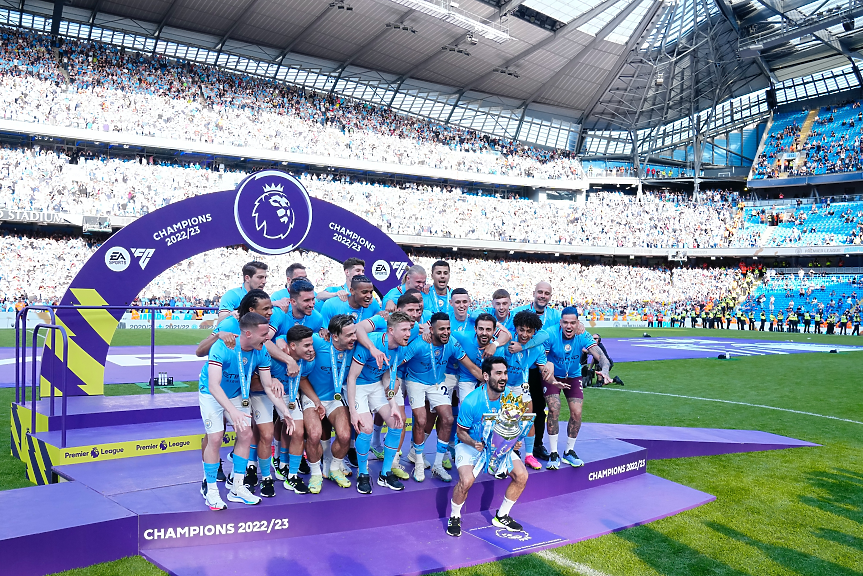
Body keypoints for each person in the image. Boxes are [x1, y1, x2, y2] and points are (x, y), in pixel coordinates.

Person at [198, 312, 293, 510]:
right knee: (215, 438)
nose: (267, 338)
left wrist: (284, 411)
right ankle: (211, 490)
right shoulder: (222, 346)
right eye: (264, 334)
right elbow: (214, 385)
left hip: (236, 393)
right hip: (211, 393)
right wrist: (232, 412)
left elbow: (268, 386)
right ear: (248, 334)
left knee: (246, 434)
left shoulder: (261, 351)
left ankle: (237, 488)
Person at [447, 356, 528, 537]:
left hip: (498, 446)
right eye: (498, 373)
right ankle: (454, 516)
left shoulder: (511, 398)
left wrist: (514, 441)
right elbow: (460, 433)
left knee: (522, 475)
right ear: (486, 376)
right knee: (466, 481)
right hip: (470, 445)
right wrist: (474, 443)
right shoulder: (471, 401)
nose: (503, 377)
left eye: (505, 373)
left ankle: (502, 516)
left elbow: (512, 426)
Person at [401, 312, 484, 482]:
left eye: (448, 328)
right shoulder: (419, 344)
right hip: (415, 382)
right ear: (431, 330)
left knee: (448, 419)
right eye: (441, 329)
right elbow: (398, 361)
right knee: (421, 420)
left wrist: (490, 381)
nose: (446, 332)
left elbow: (471, 366)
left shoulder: (451, 342)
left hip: (437, 383)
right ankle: (418, 462)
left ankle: (438, 465)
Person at [346, 311, 419, 494]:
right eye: (404, 330)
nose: (408, 334)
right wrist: (353, 412)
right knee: (366, 428)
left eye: (409, 330)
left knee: (397, 422)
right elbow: (352, 378)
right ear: (391, 330)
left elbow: (387, 376)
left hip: (377, 385)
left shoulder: (401, 348)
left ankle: (385, 473)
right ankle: (363, 473)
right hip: (358, 386)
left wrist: (393, 403)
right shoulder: (372, 343)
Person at [542, 308, 611, 469]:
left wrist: (605, 370)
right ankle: (553, 453)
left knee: (577, 412)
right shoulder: (551, 333)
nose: (569, 326)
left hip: (573, 376)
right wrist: (548, 369)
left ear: (578, 323)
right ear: (560, 322)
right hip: (552, 376)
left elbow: (601, 356)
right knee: (554, 408)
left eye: (573, 323)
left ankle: (569, 451)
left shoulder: (583, 335)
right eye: (565, 322)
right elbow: (541, 357)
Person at [298, 314, 357, 489]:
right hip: (312, 397)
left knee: (345, 435)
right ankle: (316, 474)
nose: (354, 338)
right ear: (335, 336)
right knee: (314, 434)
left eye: (354, 333)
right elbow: (285, 337)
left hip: (334, 398)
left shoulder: (355, 346)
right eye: (349, 335)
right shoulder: (317, 342)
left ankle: (334, 468)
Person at [513, 282, 560, 462]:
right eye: (540, 292)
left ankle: (536, 446)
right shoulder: (519, 311)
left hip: (539, 367)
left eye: (546, 293)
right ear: (534, 293)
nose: (542, 296)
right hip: (516, 370)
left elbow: (546, 335)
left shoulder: (555, 315)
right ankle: (511, 446)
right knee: (512, 410)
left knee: (538, 409)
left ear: (550, 296)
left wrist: (525, 346)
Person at [503, 310, 555, 470]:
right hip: (503, 385)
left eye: (529, 331)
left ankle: (529, 455)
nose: (524, 334)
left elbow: (542, 367)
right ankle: (504, 453)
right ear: (516, 328)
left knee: (528, 419)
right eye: (521, 330)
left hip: (521, 385)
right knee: (505, 420)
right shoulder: (507, 342)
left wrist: (551, 377)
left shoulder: (537, 348)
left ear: (534, 332)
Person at [277, 325, 318, 494]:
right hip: (265, 393)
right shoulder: (276, 358)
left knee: (298, 431)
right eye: (307, 345)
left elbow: (302, 379)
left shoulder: (308, 361)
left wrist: (316, 401)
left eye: (311, 344)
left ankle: (291, 475)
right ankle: (270, 466)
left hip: (290, 396)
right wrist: (272, 380)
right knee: (263, 431)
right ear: (293, 346)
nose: (311, 349)